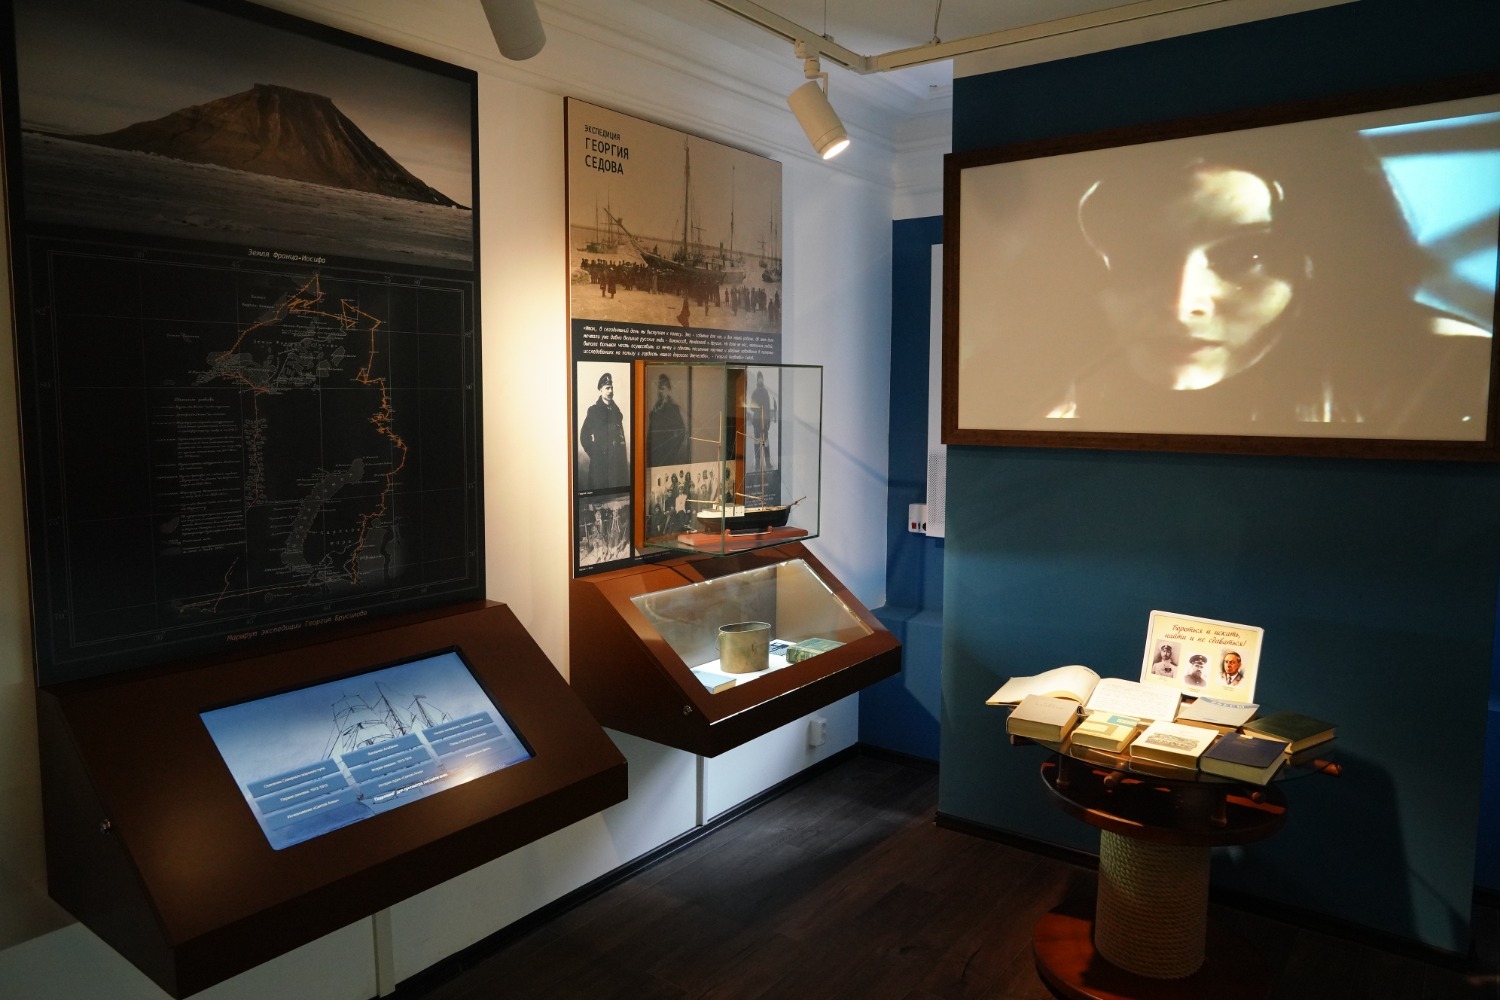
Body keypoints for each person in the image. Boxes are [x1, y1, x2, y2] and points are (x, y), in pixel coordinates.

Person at [1004, 126, 1493, 438]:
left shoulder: (1450, 370)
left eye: (1247, 256)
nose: (1182, 302)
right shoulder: (1033, 383)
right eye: (1141, 254)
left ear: (1327, 266)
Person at [579, 371, 627, 489]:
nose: (610, 391)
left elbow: (621, 439)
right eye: (607, 388)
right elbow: (584, 436)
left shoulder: (616, 412)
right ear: (600, 390)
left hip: (616, 467)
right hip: (600, 467)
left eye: (611, 388)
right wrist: (595, 453)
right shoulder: (594, 411)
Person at [646, 372, 688, 467]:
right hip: (654, 453)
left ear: (668, 390)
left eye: (662, 388)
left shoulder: (673, 409)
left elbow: (681, 432)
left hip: (666, 456)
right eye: (658, 388)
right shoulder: (655, 408)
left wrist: (670, 451)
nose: (659, 391)